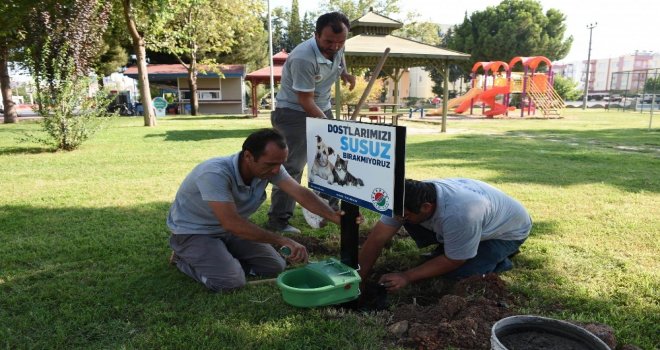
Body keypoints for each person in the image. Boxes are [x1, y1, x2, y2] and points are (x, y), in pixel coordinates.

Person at [167, 129, 350, 292]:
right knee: (231, 282)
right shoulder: (214, 173)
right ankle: (182, 258)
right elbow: (233, 224)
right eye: (270, 164)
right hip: (194, 232)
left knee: (274, 266)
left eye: (281, 163)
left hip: (227, 231)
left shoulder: (271, 167)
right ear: (248, 156)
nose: (276, 170)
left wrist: (335, 217)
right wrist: (282, 240)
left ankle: (221, 257)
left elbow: (299, 193)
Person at [267, 11, 356, 234]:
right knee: (292, 167)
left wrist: (345, 74)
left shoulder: (337, 45)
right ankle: (279, 221)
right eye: (328, 41)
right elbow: (305, 100)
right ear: (316, 35)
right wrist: (328, 125)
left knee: (333, 160)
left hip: (321, 106)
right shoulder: (302, 58)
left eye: (340, 41)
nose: (335, 46)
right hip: (292, 113)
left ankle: (329, 209)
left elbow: (339, 58)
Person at [359, 178, 532, 292]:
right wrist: (358, 279)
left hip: (507, 233)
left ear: (426, 207)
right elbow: (377, 238)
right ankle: (458, 244)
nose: (398, 219)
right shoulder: (408, 198)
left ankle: (500, 259)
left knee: (459, 273)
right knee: (411, 222)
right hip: (471, 223)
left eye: (403, 215)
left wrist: (406, 276)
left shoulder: (460, 214)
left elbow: (455, 260)